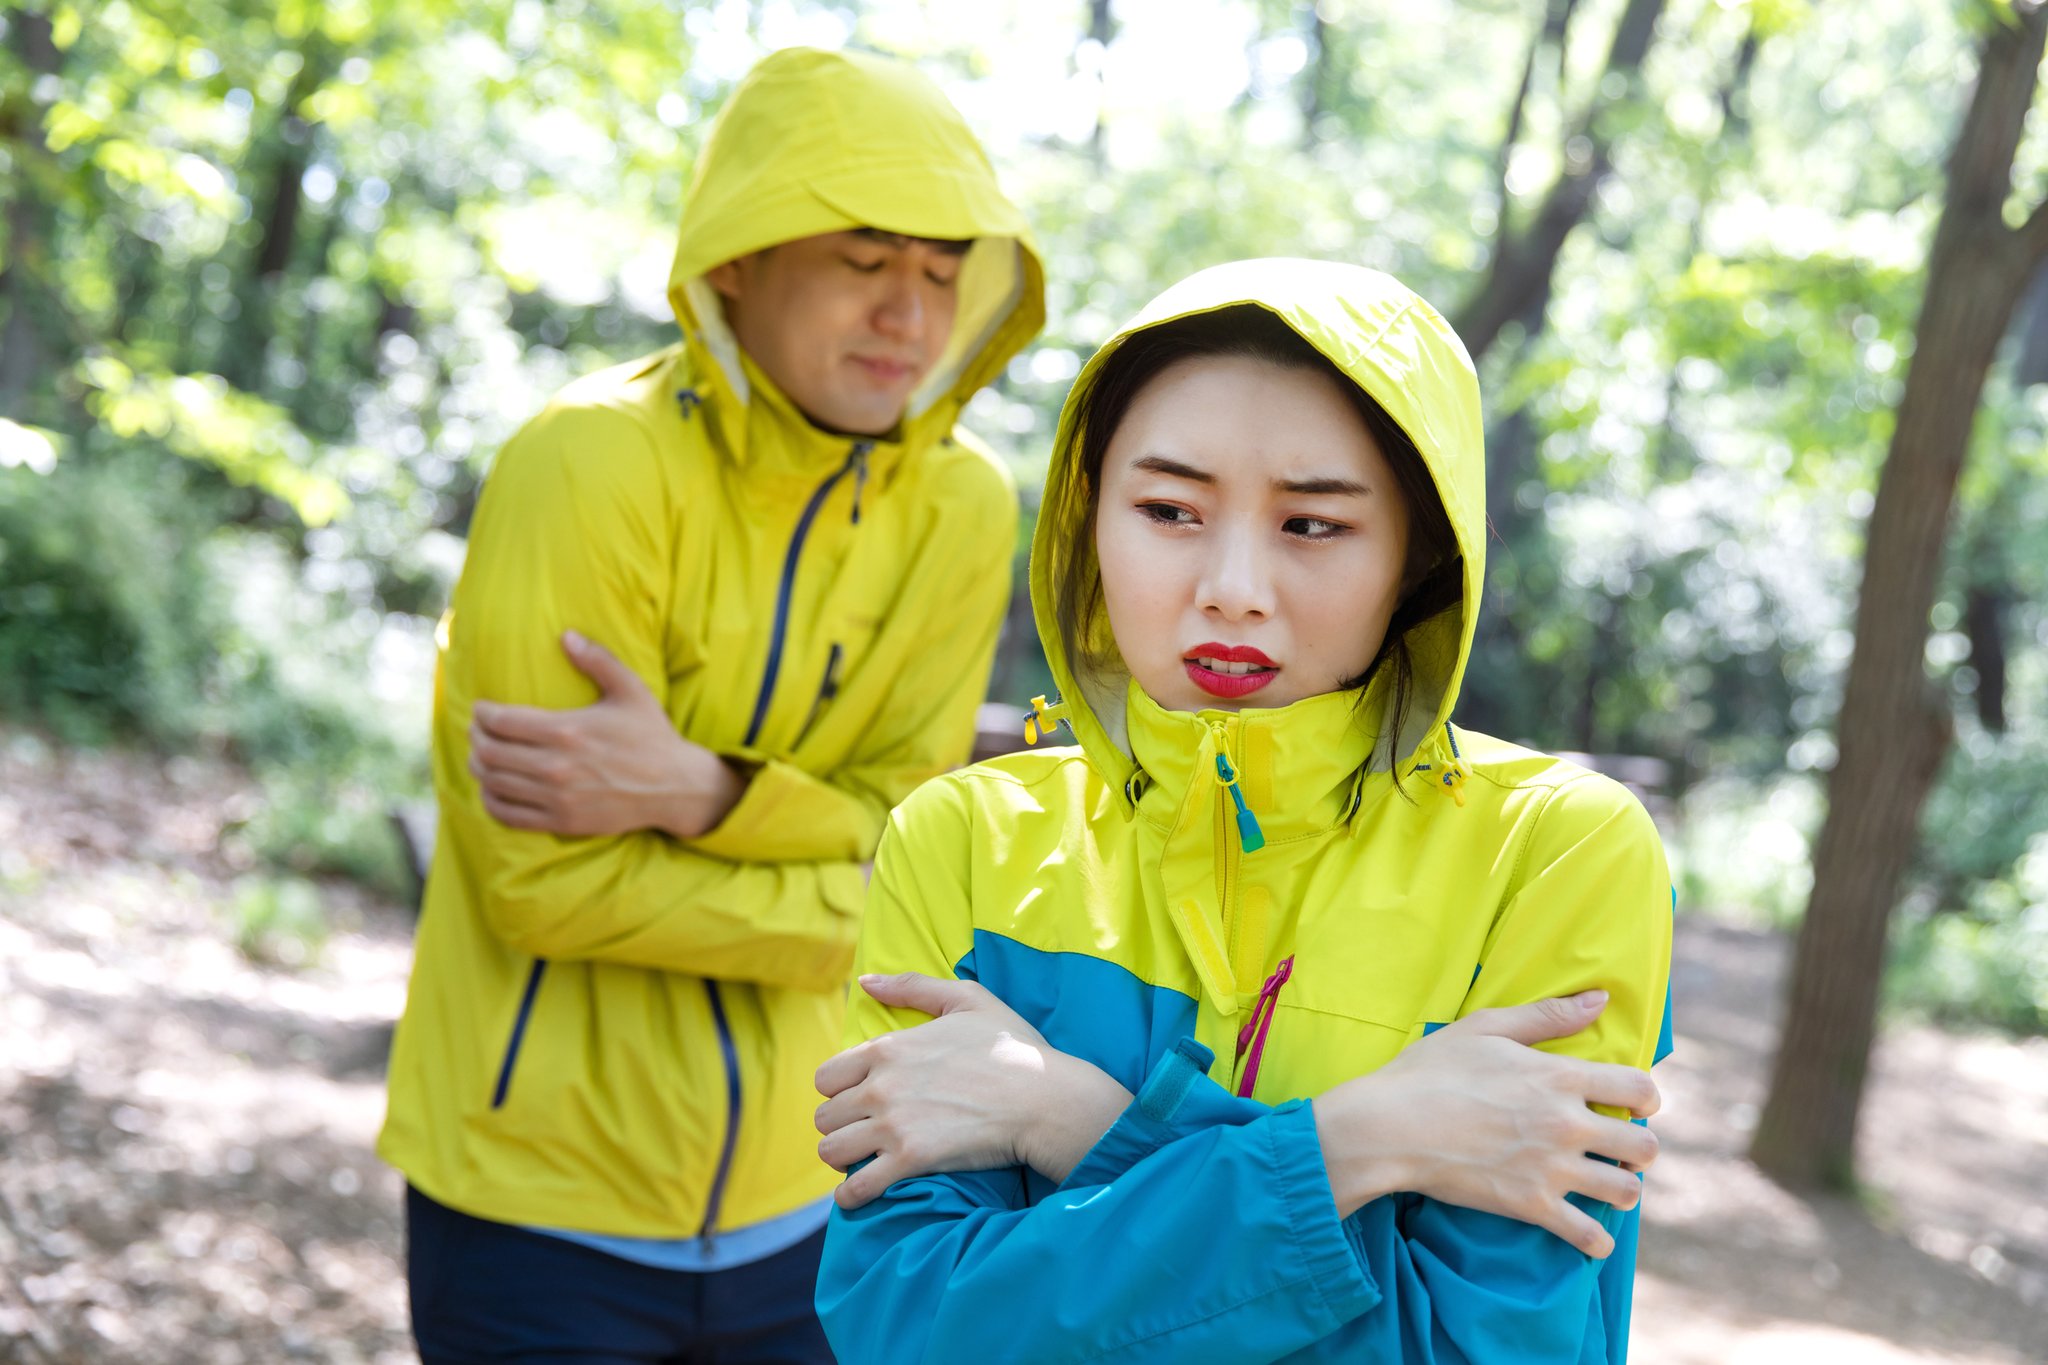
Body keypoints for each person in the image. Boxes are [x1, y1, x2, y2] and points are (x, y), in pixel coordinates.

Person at [809, 258, 1674, 1363]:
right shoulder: (963, 838)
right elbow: (914, 1327)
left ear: (1418, 556)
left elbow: (1474, 1348)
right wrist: (1365, 1144)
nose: (1231, 585)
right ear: (1088, 522)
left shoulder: (1554, 851)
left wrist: (1069, 1123)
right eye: (1168, 510)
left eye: (1311, 525)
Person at [378, 46, 1045, 1363]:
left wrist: (706, 791)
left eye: (941, 270)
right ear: (736, 255)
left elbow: (922, 864)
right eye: (865, 260)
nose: (909, 313)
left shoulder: (966, 504)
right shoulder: (589, 462)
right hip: (531, 1207)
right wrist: (839, 878)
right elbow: (540, 886)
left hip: (822, 1192)